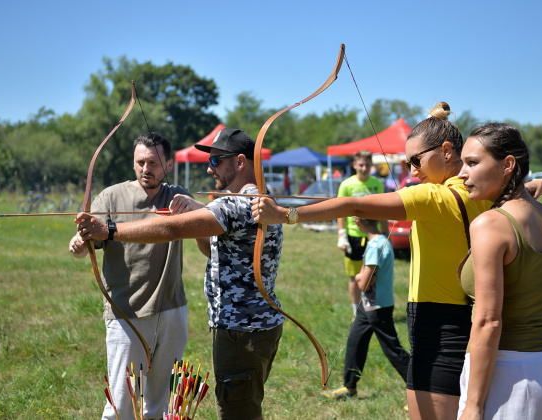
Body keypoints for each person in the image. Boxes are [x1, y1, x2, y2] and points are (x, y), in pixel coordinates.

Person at [252, 102, 493, 420]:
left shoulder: (433, 197)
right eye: (408, 164)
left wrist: (284, 214)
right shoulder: (486, 193)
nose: (413, 172)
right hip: (469, 319)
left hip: (439, 325)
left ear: (447, 151)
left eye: (416, 161)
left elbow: (354, 205)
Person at [76, 128, 284, 420]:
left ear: (239, 162)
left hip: (240, 330)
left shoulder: (233, 203)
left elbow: (171, 228)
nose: (210, 168)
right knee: (245, 407)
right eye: (140, 162)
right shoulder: (262, 201)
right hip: (258, 324)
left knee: (238, 412)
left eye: (217, 160)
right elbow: (212, 238)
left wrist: (110, 229)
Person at [455, 123, 542, 419]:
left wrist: (474, 405)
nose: (461, 173)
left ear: (508, 165)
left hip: (505, 376)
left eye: (472, 163)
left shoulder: (491, 224)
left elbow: (489, 321)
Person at [68, 132, 193, 420]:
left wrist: (192, 207)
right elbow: (89, 240)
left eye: (153, 162)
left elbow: (204, 227)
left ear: (169, 165)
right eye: (140, 162)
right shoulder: (112, 196)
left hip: (172, 307)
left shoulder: (178, 196)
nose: (146, 169)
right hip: (126, 310)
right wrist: (79, 242)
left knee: (159, 402)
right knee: (121, 404)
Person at [322, 216, 410, 400]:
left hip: (377, 306)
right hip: (368, 305)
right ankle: (349, 387)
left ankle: (421, 391)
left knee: (393, 349)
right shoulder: (382, 239)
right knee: (356, 341)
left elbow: (365, 283)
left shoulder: (375, 246)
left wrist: (358, 275)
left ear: (356, 221)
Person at [336, 150, 388, 315]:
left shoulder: (377, 184)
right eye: (360, 165)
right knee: (354, 276)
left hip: (374, 236)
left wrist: (386, 233)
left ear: (371, 165)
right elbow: (339, 211)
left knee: (373, 275)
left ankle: (372, 307)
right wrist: (342, 235)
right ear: (354, 165)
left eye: (367, 165)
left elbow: (382, 210)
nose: (364, 168)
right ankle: (356, 311)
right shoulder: (346, 185)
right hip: (354, 236)